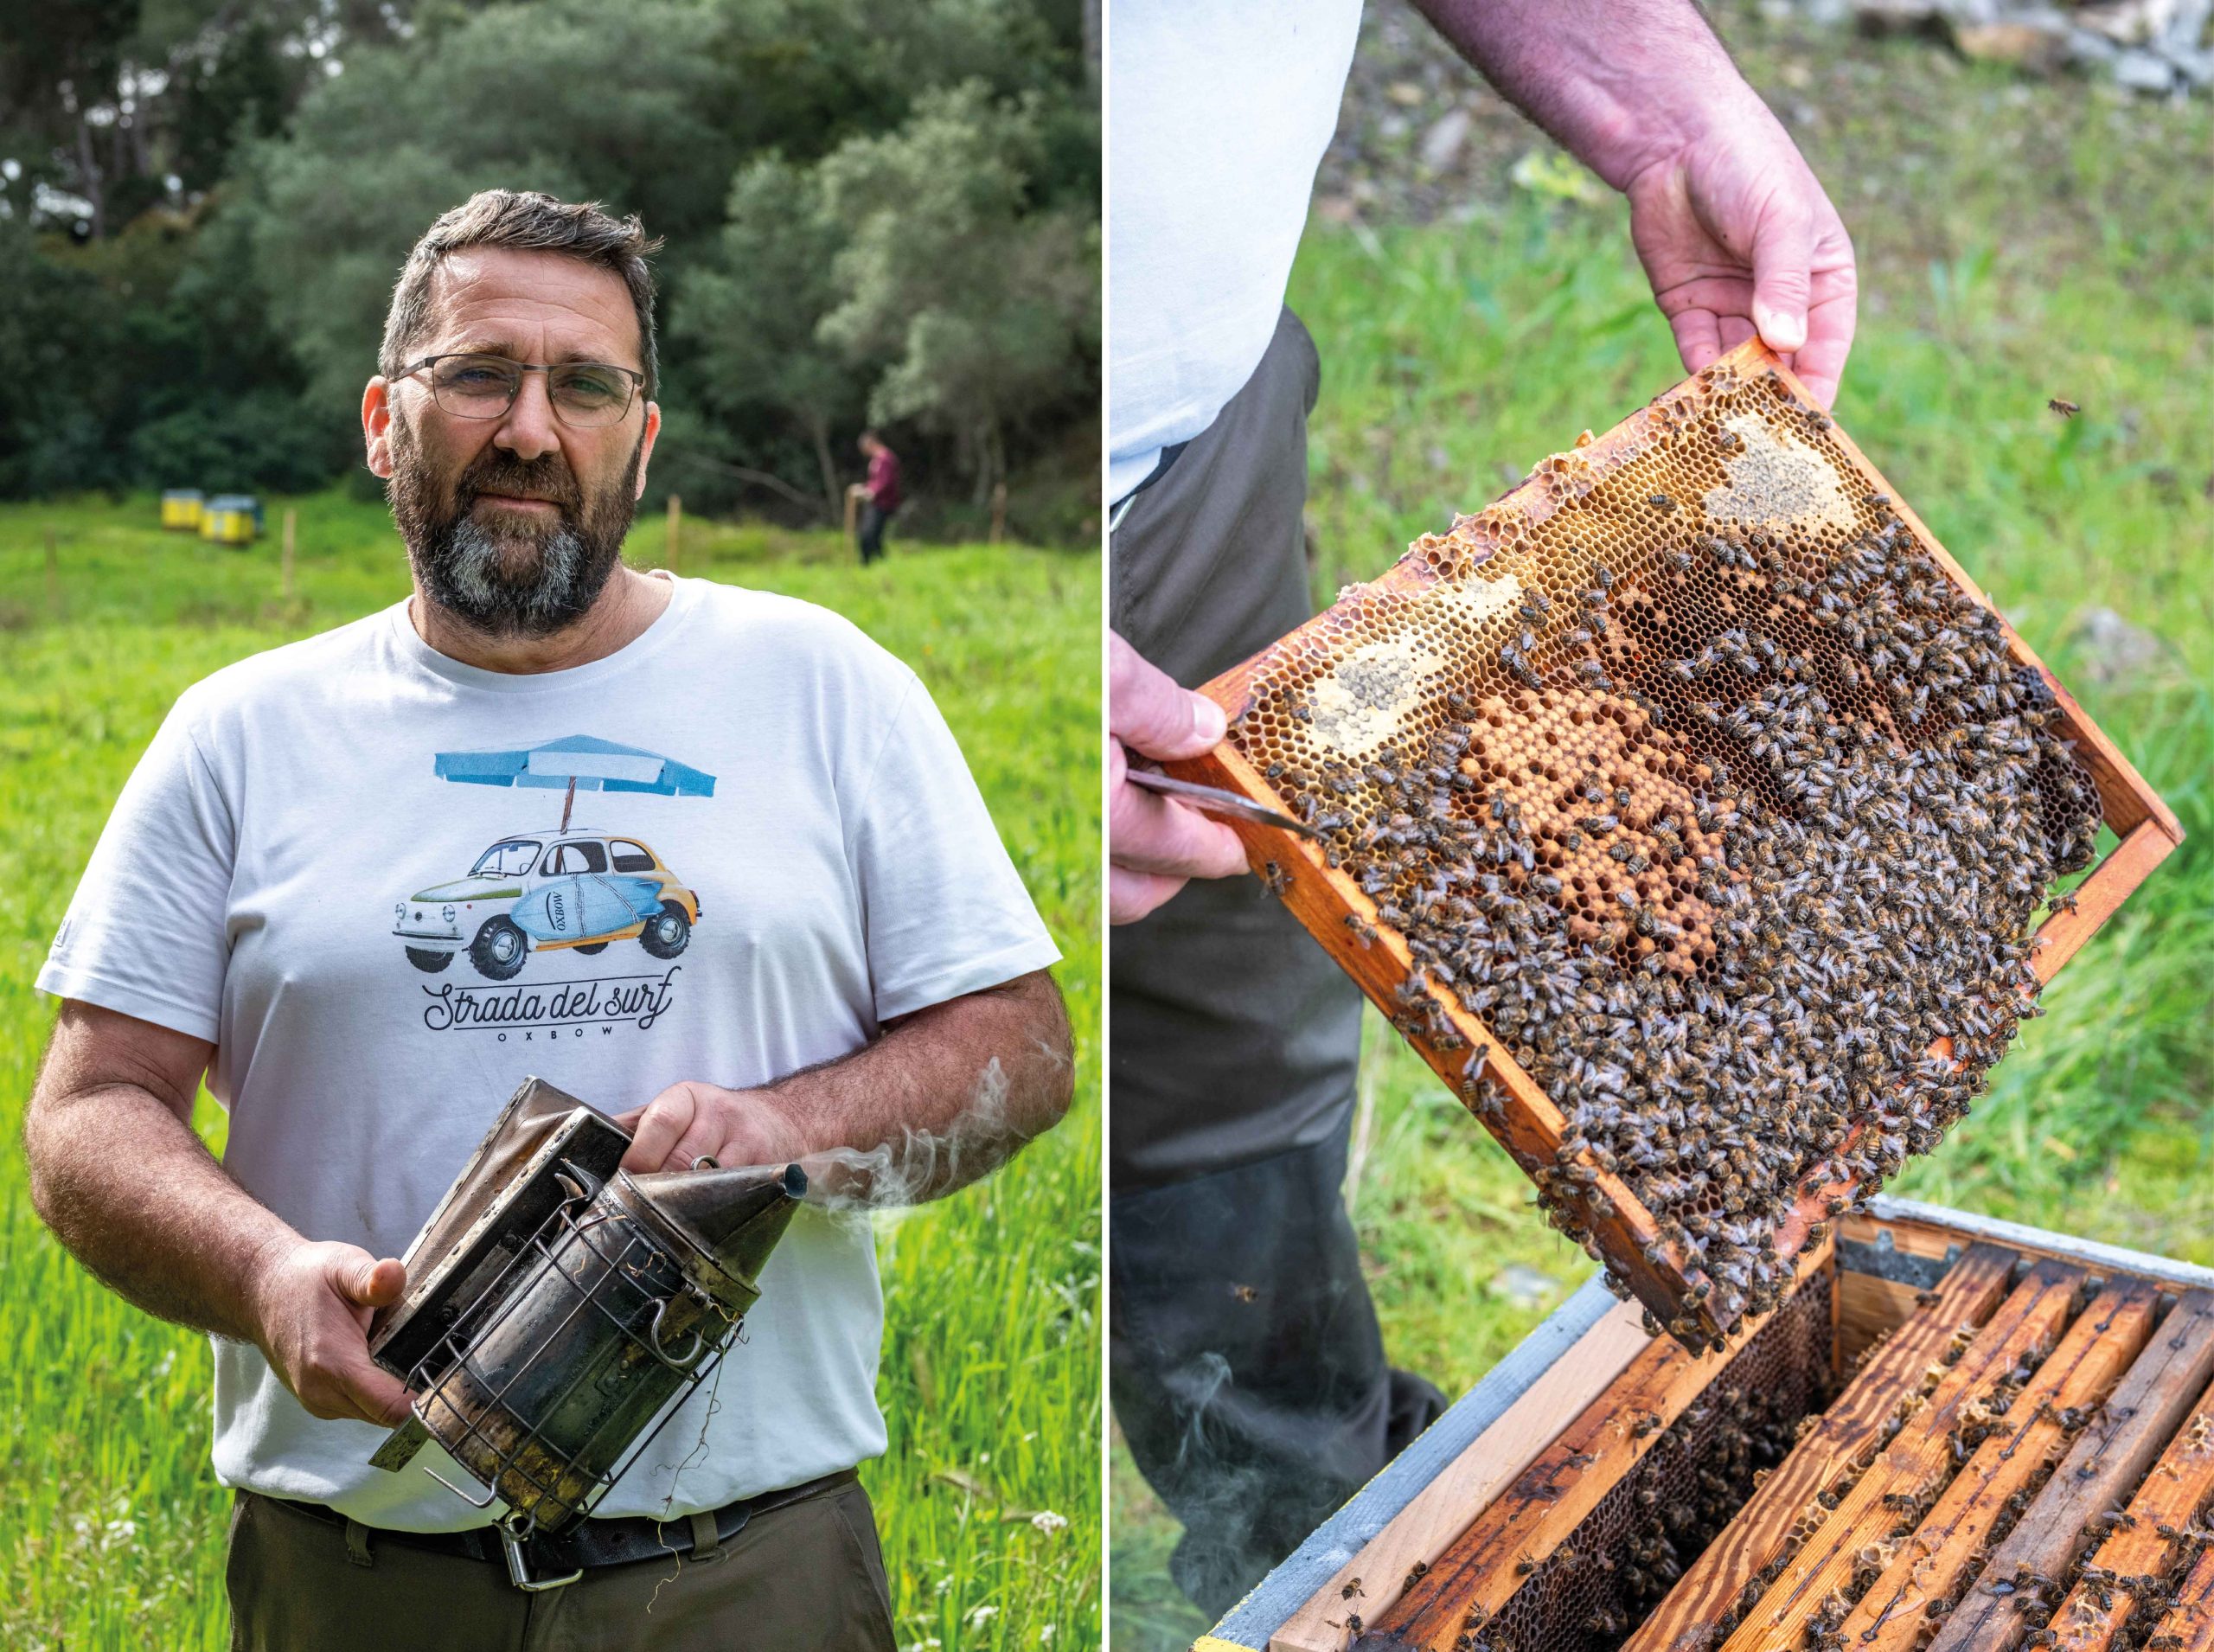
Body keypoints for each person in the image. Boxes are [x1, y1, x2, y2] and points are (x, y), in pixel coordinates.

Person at [27, 189, 1072, 1651]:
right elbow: (88, 1117)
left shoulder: (824, 685)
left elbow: (1019, 1047)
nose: (531, 429)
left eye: (586, 385)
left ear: (640, 437)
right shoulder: (238, 733)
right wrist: (264, 1278)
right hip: (354, 1586)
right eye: (478, 376)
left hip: (748, 1579)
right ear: (386, 420)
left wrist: (783, 1133)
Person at [1107, 0, 1859, 1617]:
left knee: (1237, 1028)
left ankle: (1295, 1512)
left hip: (1195, 427)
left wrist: (1666, 115)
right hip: (989, 482)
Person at [854, 429, 902, 566]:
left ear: (871, 443)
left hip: (883, 504)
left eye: (864, 447)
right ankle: (880, 563)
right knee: (873, 537)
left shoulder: (885, 459)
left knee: (868, 535)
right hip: (876, 503)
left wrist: (869, 492)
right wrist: (864, 488)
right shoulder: (877, 460)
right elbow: (876, 480)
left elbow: (885, 482)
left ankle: (866, 564)